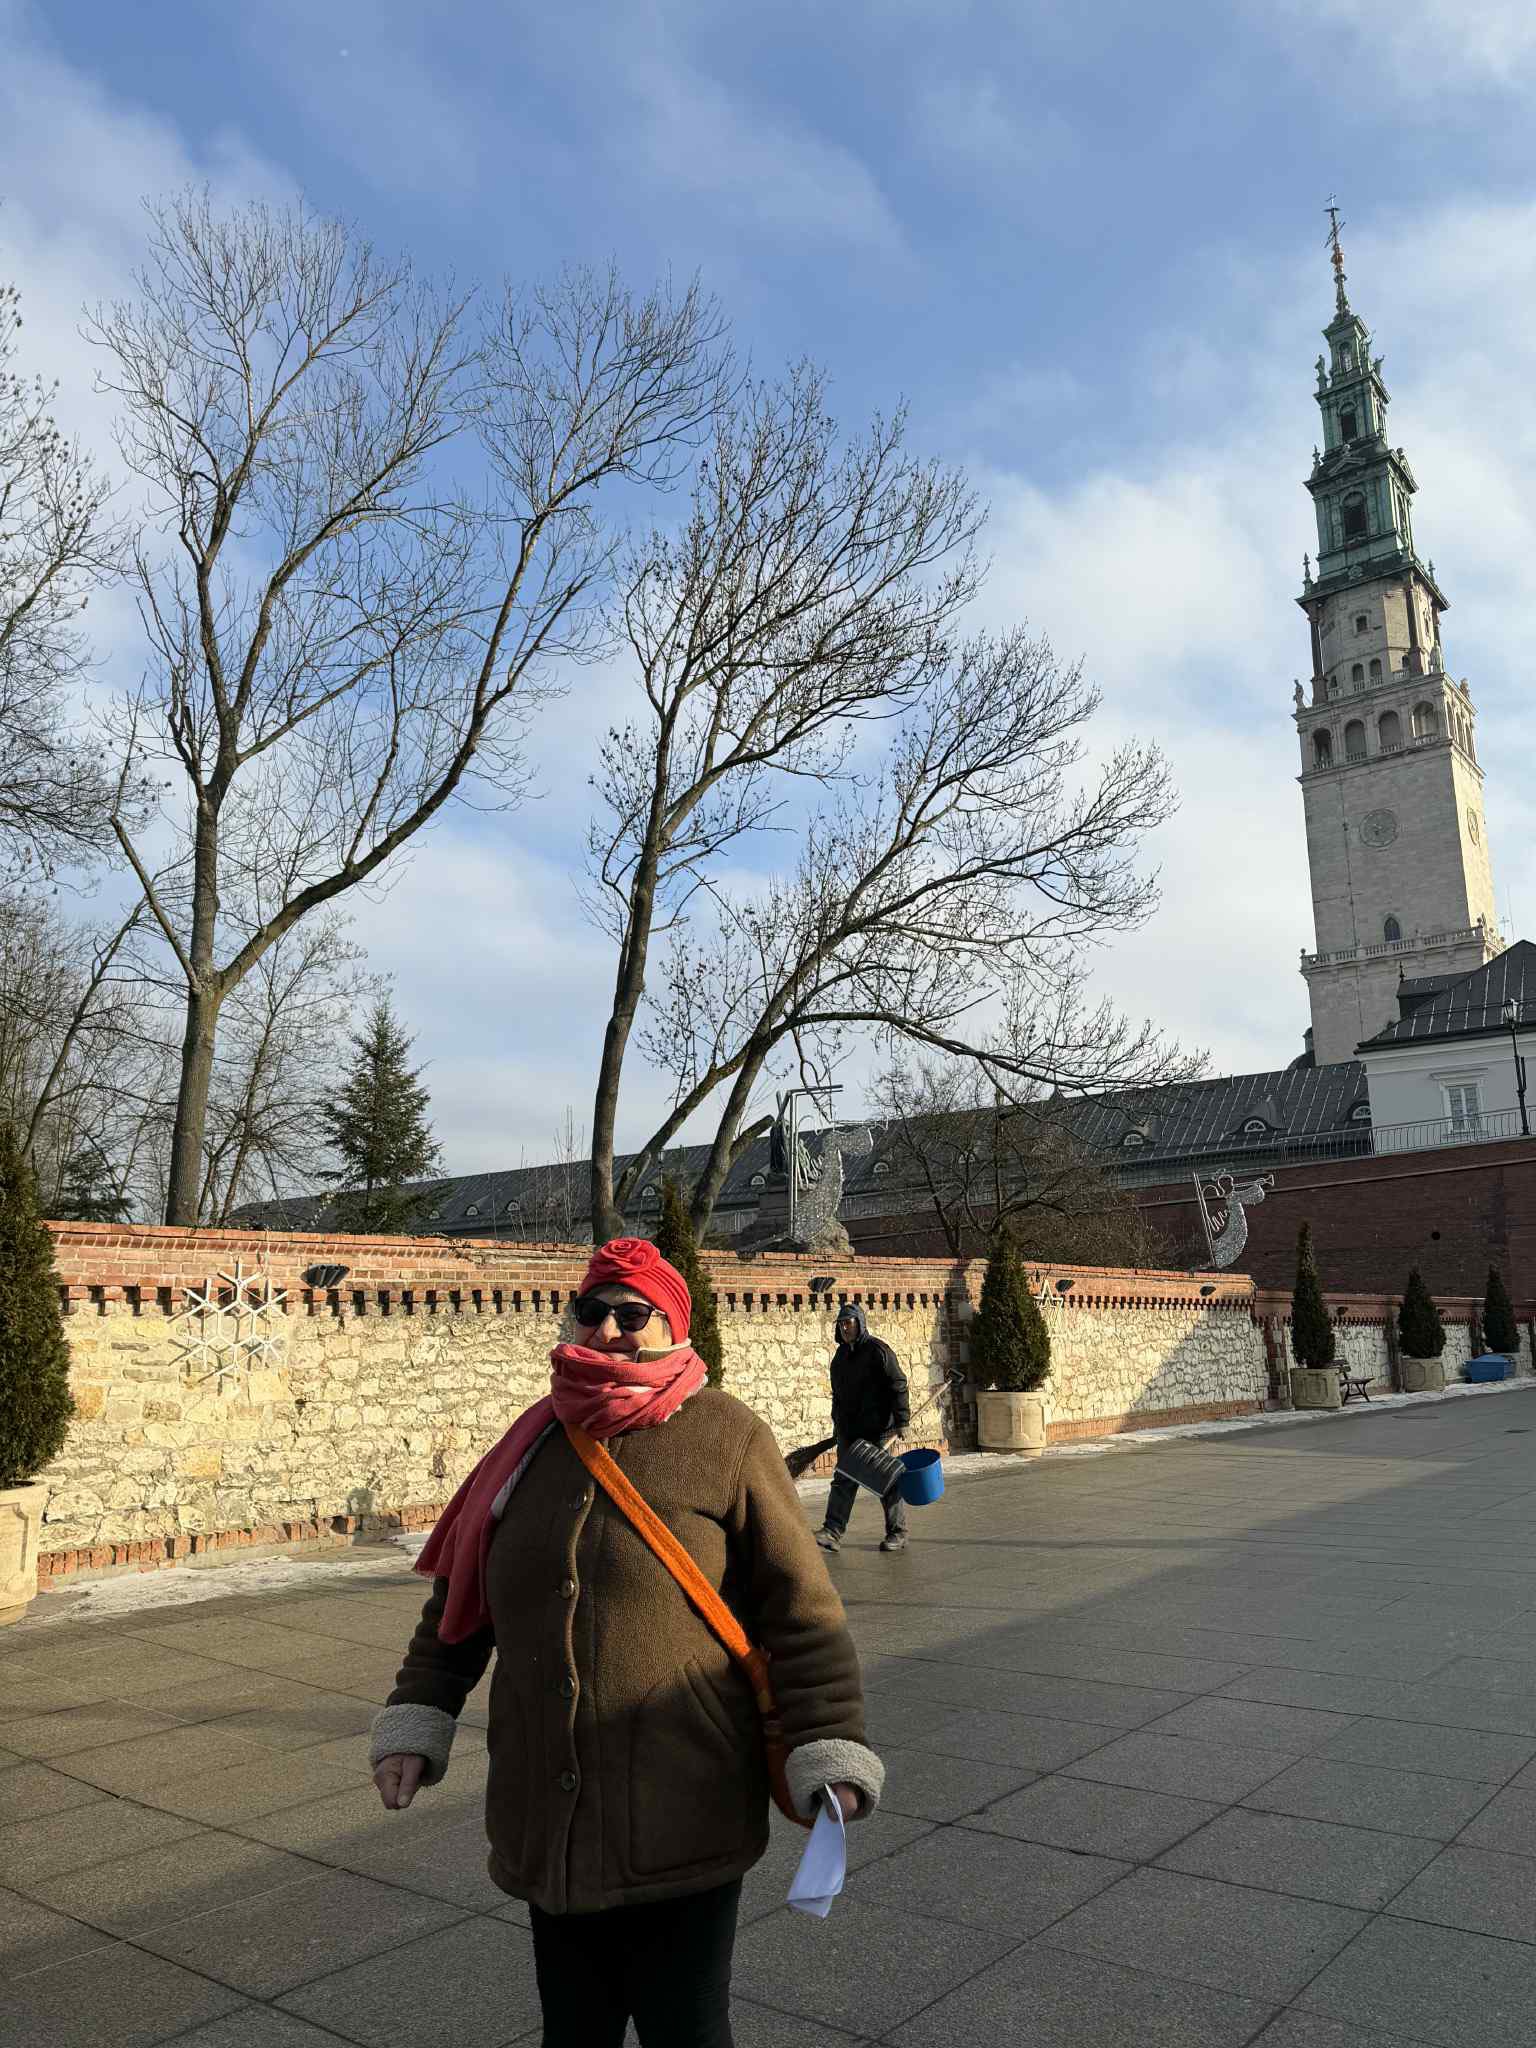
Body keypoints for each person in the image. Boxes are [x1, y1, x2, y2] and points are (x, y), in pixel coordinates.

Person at [370, 1237, 884, 2048]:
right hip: (549, 1809)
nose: (609, 1328)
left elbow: (801, 1609)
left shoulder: (727, 1436)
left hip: (683, 1805)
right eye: (592, 1309)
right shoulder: (530, 1443)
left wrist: (829, 1744)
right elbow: (461, 1602)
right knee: (574, 2031)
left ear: (674, 1325)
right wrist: (417, 1714)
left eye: (633, 1313)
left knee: (687, 2031)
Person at [814, 1303, 912, 1555]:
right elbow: (838, 1396)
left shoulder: (878, 1351)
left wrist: (902, 1420)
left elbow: (898, 1384)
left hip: (878, 1430)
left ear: (860, 1323)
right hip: (850, 1431)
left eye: (849, 1322)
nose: (844, 1328)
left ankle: (898, 1532)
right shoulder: (840, 1358)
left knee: (885, 1480)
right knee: (843, 1480)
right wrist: (838, 1426)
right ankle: (832, 1531)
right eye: (841, 1324)